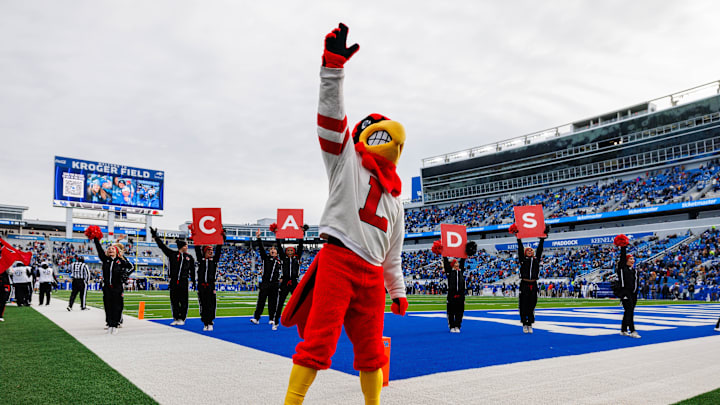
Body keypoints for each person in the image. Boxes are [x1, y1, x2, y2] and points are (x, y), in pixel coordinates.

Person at [281, 23, 408, 405]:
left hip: (371, 273)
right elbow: (331, 117)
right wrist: (332, 68)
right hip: (339, 259)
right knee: (318, 341)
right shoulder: (346, 161)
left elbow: (393, 252)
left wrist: (396, 289)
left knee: (371, 349)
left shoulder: (396, 199)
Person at [151, 227, 195, 326]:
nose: (187, 247)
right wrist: (155, 236)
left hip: (184, 281)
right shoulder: (172, 254)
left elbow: (192, 270)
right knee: (174, 301)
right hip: (174, 281)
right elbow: (162, 246)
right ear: (182, 246)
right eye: (186, 245)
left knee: (184, 301)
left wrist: (194, 281)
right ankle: (176, 317)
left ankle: (182, 318)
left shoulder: (189, 257)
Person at [511, 224, 550, 334]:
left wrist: (542, 238)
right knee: (523, 304)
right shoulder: (523, 260)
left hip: (534, 283)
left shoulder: (536, 260)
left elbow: (540, 249)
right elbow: (519, 248)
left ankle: (530, 323)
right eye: (528, 250)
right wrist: (518, 237)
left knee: (532, 304)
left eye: (531, 250)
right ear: (525, 253)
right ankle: (524, 323)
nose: (530, 251)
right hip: (524, 284)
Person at [92, 236, 132, 335]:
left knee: (117, 306)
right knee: (108, 306)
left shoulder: (121, 261)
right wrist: (96, 240)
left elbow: (131, 267)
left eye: (113, 248)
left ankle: (115, 324)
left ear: (117, 251)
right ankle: (110, 324)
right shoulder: (105, 260)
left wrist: (126, 275)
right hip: (107, 287)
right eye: (109, 248)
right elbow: (99, 250)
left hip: (117, 287)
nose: (110, 249)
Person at [273, 230, 305, 329]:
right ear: (286, 252)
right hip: (285, 282)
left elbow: (300, 246)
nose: (290, 252)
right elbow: (279, 246)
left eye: (291, 250)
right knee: (280, 302)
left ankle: (301, 320)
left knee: (298, 302)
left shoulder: (297, 258)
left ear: (294, 252)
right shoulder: (283, 258)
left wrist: (302, 235)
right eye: (288, 250)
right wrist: (277, 235)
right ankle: (276, 322)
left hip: (294, 281)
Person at [251, 229, 282, 327]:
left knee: (273, 302)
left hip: (274, 284)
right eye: (271, 249)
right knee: (261, 301)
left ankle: (272, 318)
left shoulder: (279, 261)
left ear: (277, 252)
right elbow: (261, 248)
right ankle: (256, 318)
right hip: (265, 283)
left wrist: (278, 236)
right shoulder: (265, 258)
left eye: (274, 249)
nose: (272, 250)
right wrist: (258, 238)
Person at [194, 234, 224, 331]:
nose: (211, 252)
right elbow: (197, 248)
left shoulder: (214, 261)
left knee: (211, 304)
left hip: (211, 286)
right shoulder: (200, 260)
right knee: (203, 304)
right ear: (204, 252)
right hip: (202, 286)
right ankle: (205, 322)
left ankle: (210, 322)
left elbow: (219, 249)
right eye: (209, 250)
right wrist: (195, 235)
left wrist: (222, 237)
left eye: (212, 251)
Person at [614, 234, 640, 338]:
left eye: (633, 259)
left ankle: (623, 329)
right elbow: (622, 255)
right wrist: (623, 246)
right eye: (630, 259)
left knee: (629, 311)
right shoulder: (622, 268)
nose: (632, 260)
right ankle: (633, 331)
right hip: (625, 292)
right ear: (626, 260)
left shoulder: (634, 270)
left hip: (633, 293)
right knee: (629, 311)